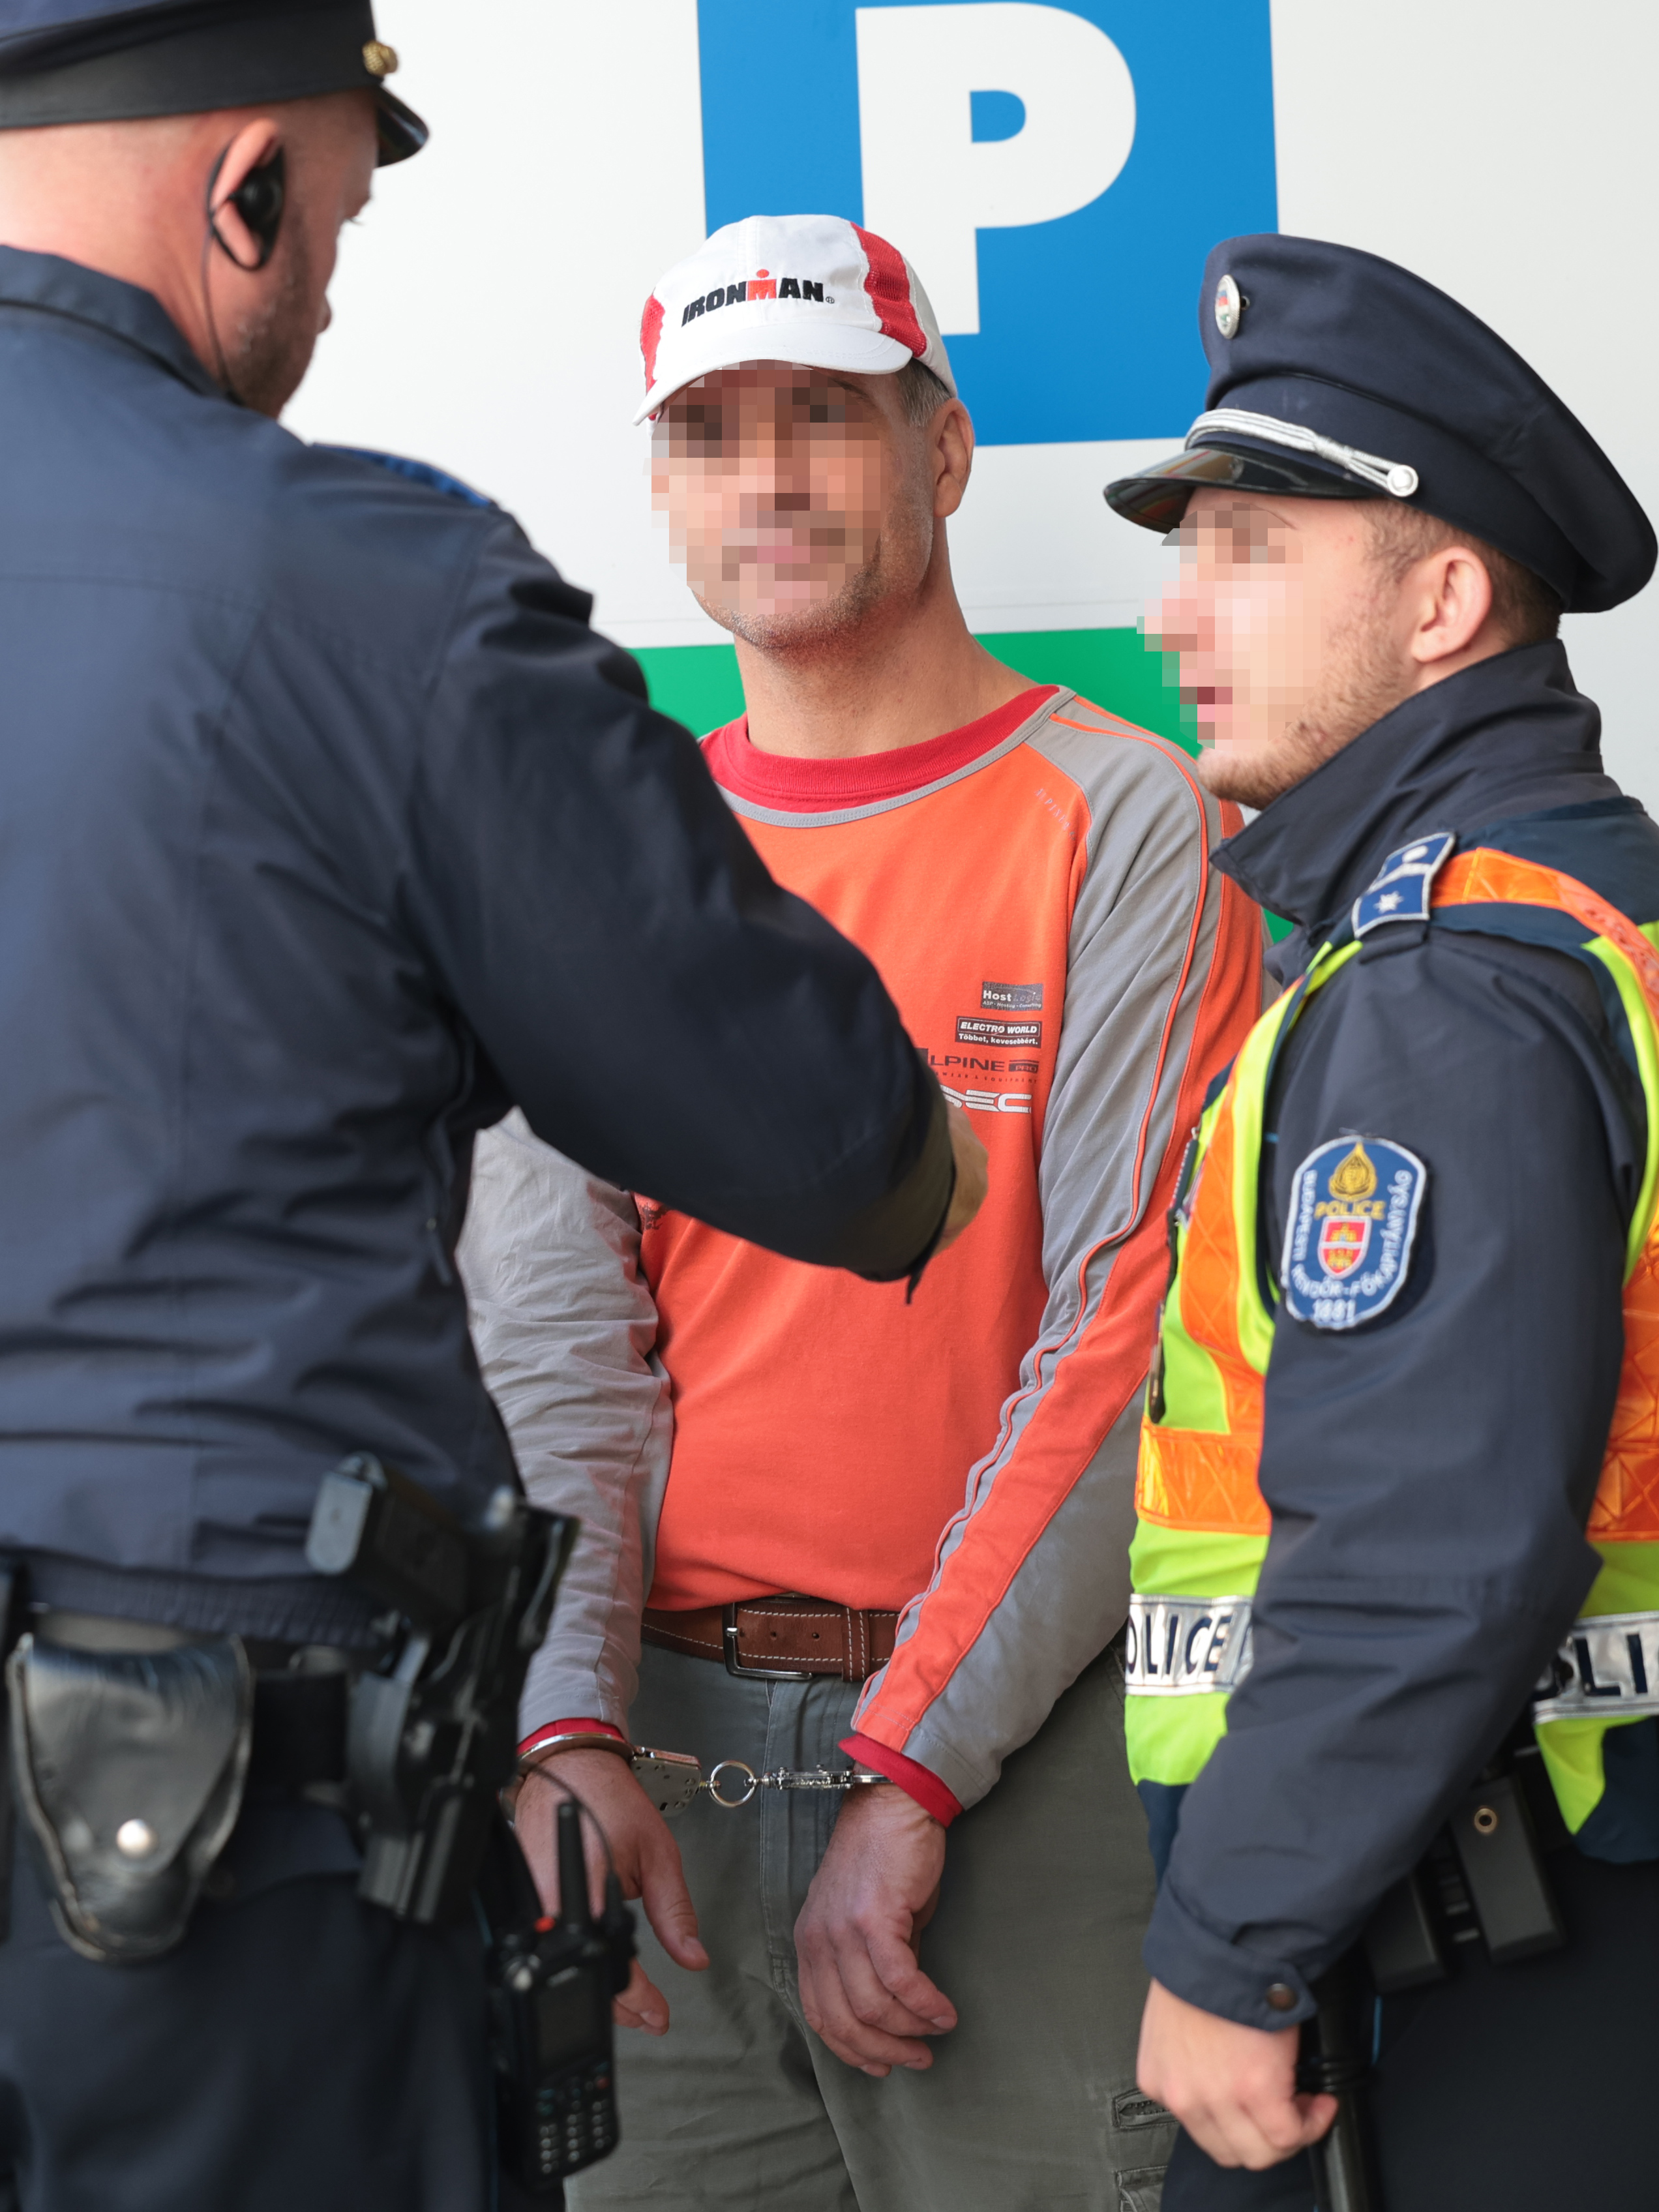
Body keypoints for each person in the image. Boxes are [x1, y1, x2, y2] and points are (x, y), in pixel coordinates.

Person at [0, 19, 986, 2212]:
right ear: (247, 186)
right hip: (213, 1848)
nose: (329, 295)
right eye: (338, 224)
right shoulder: (364, 592)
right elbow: (855, 1153)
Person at [459, 211, 1265, 2212]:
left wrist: (912, 1765)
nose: (771, 478)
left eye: (824, 413)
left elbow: (1125, 1341)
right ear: (662, 492)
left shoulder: (1130, 818)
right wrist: (561, 1730)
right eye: (712, 432)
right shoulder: (612, 855)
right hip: (658, 1754)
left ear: (945, 448)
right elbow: (554, 1343)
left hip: (1024, 1757)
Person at [1103, 232, 1659, 2211]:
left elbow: (1428, 1536)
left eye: (1250, 547)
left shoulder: (1450, 983)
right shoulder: (1574, 907)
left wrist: (1230, 1943)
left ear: (1443, 601)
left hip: (1481, 1941)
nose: (1172, 610)